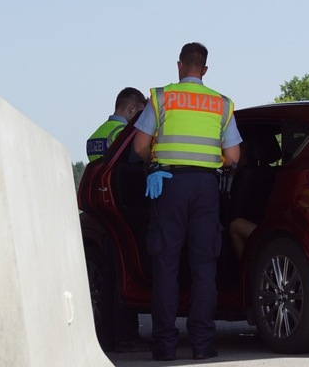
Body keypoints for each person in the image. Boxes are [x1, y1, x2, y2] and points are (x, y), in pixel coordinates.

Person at [132, 42, 241, 361]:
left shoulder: (162, 96)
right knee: (204, 266)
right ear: (205, 70)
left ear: (179, 65)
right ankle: (203, 345)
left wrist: (153, 165)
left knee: (165, 265)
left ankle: (165, 346)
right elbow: (233, 155)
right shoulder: (222, 103)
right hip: (206, 188)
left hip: (168, 185)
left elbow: (139, 146)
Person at [85, 86, 149, 354]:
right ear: (132, 109)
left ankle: (109, 335)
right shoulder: (120, 135)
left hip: (100, 212)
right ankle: (125, 337)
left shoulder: (96, 135)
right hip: (121, 210)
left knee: (109, 276)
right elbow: (130, 170)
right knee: (124, 272)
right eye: (141, 114)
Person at [86, 87, 147, 162]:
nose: (141, 119)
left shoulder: (92, 138)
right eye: (140, 114)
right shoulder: (124, 134)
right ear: (131, 109)